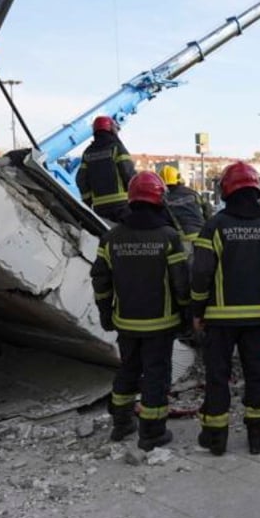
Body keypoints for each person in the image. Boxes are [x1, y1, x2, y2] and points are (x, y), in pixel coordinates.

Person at [192, 161, 260, 456]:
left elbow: (200, 274)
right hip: (259, 319)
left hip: (219, 320)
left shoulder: (214, 227)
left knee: (217, 376)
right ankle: (257, 435)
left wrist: (197, 310)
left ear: (226, 191)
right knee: (257, 375)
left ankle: (215, 437)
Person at [91, 171, 190, 450]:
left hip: (126, 323)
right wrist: (186, 315)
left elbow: (101, 280)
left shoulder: (110, 238)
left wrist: (105, 313)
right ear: (160, 200)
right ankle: (152, 433)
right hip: (161, 323)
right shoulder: (168, 237)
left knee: (128, 370)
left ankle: (121, 425)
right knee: (156, 376)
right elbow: (181, 283)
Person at [76, 116, 136, 224]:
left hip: (100, 208)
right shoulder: (117, 147)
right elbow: (128, 173)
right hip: (121, 206)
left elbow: (81, 180)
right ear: (111, 129)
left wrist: (87, 201)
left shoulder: (88, 152)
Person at [159, 165, 211, 249]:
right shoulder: (192, 193)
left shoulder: (163, 199)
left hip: (181, 239)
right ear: (178, 178)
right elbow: (208, 208)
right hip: (201, 235)